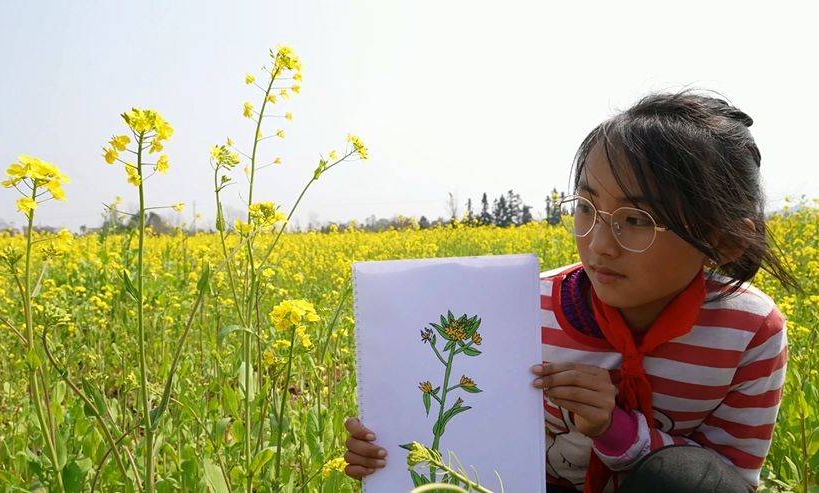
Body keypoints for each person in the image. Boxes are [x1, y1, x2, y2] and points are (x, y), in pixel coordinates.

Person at [342, 91, 800, 493]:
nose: (598, 245)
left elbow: (725, 481)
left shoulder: (750, 331)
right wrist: (387, 451)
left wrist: (615, 430)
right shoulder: (524, 308)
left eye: (637, 220)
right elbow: (466, 438)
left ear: (722, 242)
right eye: (586, 207)